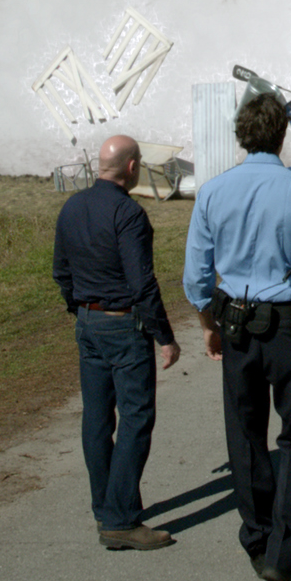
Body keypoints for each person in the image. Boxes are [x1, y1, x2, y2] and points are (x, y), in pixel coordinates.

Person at [184, 93, 291, 581]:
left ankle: (258, 538)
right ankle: (283, 553)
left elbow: (196, 276)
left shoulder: (213, 192)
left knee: (245, 433)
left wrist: (207, 325)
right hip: (289, 326)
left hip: (236, 323)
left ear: (242, 135)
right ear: (281, 135)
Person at [53, 134, 181, 551]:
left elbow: (61, 270)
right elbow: (141, 281)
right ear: (131, 167)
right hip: (123, 324)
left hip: (88, 322)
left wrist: (80, 308)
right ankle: (121, 519)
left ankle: (104, 507)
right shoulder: (129, 213)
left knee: (96, 419)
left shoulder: (72, 206)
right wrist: (164, 335)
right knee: (136, 418)